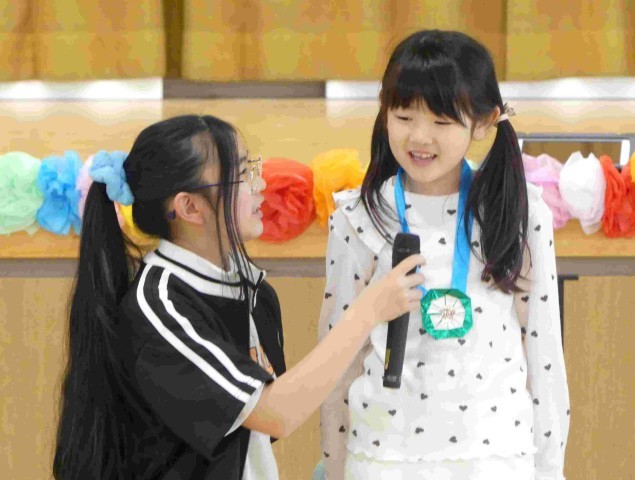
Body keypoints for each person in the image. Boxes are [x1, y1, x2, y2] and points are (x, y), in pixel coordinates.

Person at [52, 114, 425, 479]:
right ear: (189, 207)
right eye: (243, 174)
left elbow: (262, 427)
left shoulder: (253, 291)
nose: (260, 184)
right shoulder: (160, 308)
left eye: (253, 167)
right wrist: (367, 311)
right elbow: (276, 414)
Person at [319, 30, 570, 479]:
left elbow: (544, 354)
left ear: (484, 122)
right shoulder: (358, 218)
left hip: (496, 460)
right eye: (404, 116)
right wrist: (335, 467)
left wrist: (549, 470)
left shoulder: (519, 213)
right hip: (384, 459)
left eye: (441, 121)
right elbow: (338, 360)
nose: (420, 137)